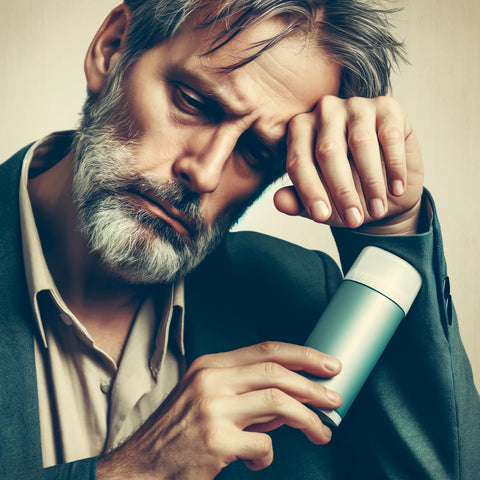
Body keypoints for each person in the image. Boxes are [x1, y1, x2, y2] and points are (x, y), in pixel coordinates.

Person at [0, 0, 478, 478]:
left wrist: (389, 226)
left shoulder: (311, 299)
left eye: (255, 152)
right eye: (192, 103)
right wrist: (129, 471)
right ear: (111, 49)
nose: (204, 174)